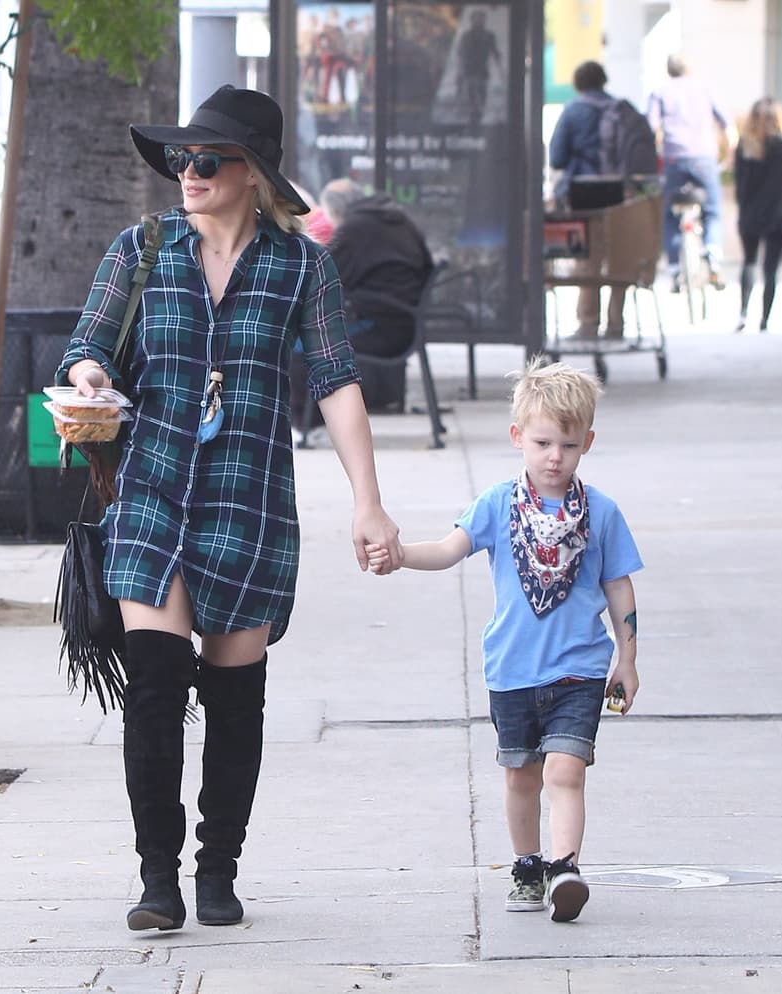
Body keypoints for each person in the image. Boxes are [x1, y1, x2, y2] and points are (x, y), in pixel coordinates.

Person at [54, 85, 404, 933]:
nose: (190, 172)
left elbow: (336, 383)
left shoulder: (300, 267)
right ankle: (157, 879)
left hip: (247, 501)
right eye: (182, 158)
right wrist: (89, 378)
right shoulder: (142, 249)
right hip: (150, 492)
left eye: (208, 159)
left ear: (254, 174)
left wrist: (369, 504)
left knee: (236, 697)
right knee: (155, 687)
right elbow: (87, 347)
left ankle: (218, 871)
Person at [366, 359, 641, 923]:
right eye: (542, 443)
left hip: (580, 671)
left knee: (565, 770)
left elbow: (619, 588)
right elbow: (449, 550)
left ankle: (565, 869)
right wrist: (400, 555)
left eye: (568, 445)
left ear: (587, 443)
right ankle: (528, 867)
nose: (554, 457)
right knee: (521, 777)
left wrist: (628, 659)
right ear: (518, 437)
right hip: (512, 669)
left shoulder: (602, 514)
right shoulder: (497, 504)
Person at [289, 177, 434, 426]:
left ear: (336, 211)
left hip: (381, 328)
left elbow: (319, 275)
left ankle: (307, 421)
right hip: (402, 322)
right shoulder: (395, 218)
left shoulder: (355, 228)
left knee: (297, 343)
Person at [548, 60, 627, 339]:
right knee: (620, 257)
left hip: (584, 193)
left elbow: (557, 157)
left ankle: (588, 321)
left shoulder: (573, 110)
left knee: (588, 257)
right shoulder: (620, 109)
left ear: (578, 83)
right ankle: (616, 323)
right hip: (619, 194)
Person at [647, 53, 734, 291]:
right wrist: (728, 156)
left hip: (674, 158)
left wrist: (657, 153)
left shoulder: (661, 92)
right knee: (712, 211)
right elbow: (728, 126)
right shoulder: (705, 89)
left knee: (670, 214)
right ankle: (713, 255)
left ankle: (674, 267)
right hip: (704, 158)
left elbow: (651, 128)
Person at [733, 97, 782, 333]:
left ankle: (743, 312)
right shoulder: (781, 145)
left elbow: (740, 185)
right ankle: (764, 320)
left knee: (749, 262)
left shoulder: (745, 147)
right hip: (776, 214)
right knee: (770, 268)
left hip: (751, 214)